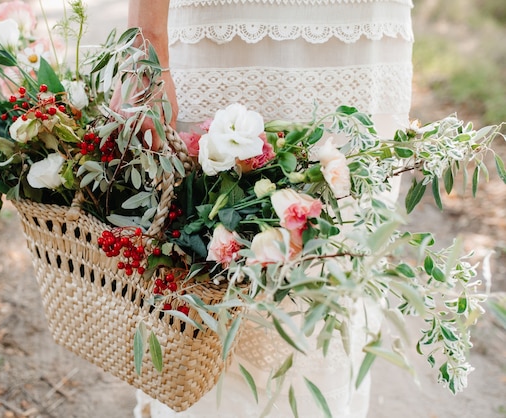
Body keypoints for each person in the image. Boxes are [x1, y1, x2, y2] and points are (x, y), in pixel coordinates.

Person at [120, 1, 414, 417]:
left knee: (330, 275)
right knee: (205, 291)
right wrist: (145, 51)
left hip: (360, 37)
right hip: (234, 29)